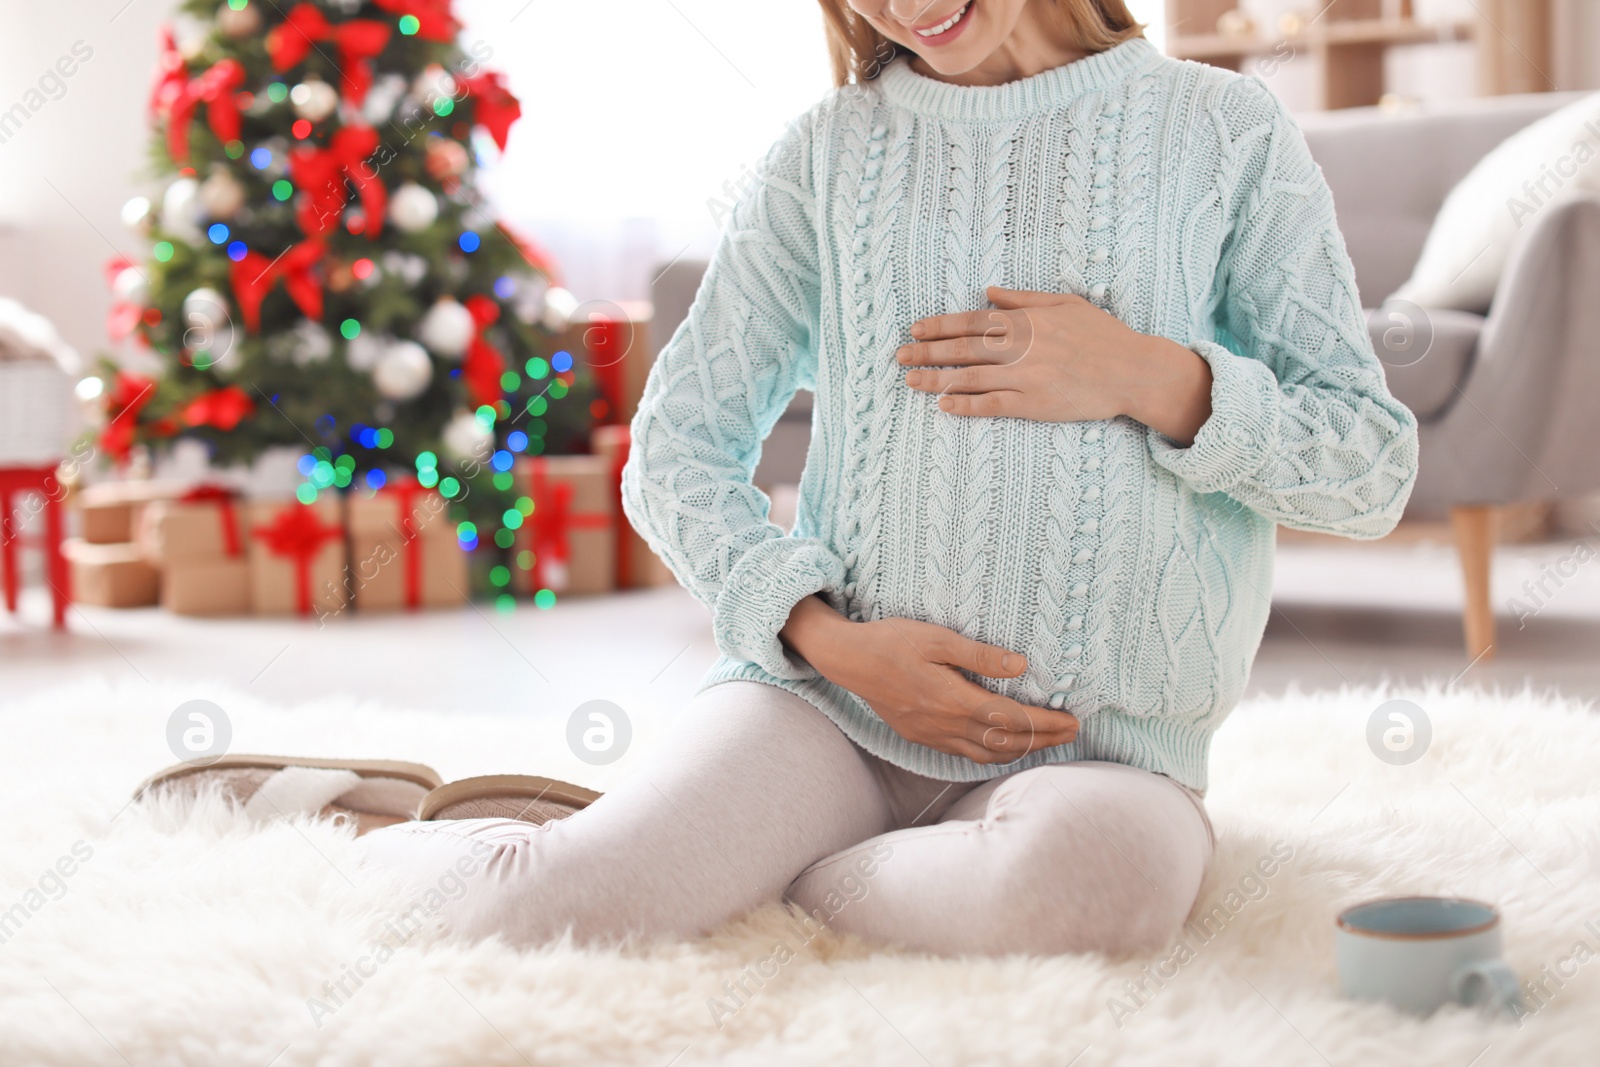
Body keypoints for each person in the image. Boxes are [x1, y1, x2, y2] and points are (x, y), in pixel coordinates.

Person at [145, 0, 1417, 957]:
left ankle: (775, 866)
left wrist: (1155, 376)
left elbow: (1369, 465)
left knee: (1089, 900)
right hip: (833, 712)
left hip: (1104, 750)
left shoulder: (1221, 133)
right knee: (512, 913)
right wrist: (820, 636)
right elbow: (677, 446)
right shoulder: (829, 155)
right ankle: (391, 811)